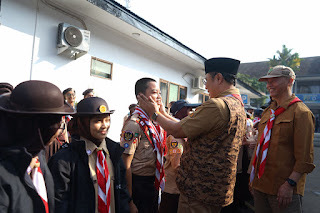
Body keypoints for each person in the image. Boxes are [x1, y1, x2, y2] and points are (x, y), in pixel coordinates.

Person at [138, 57, 247, 213]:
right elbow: (183, 125)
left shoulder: (216, 105)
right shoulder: (236, 104)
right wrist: (162, 113)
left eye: (206, 81)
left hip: (199, 189)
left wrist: (154, 114)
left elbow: (177, 130)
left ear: (219, 78)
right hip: (216, 188)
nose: (205, 87)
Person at [0, 80, 75, 213]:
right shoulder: (4, 173)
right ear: (39, 128)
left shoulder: (37, 154)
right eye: (58, 125)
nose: (60, 131)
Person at [249, 65, 315, 213]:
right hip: (260, 185)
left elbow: (305, 157)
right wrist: (252, 177)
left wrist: (289, 184)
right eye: (267, 81)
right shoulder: (268, 112)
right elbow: (260, 146)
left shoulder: (301, 113)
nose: (268, 85)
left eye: (274, 80)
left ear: (290, 81)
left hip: (282, 189)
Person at [48, 97, 132, 213]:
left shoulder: (114, 152)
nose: (104, 125)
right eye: (98, 121)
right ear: (83, 123)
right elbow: (59, 202)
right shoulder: (64, 159)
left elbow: (122, 192)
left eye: (107, 120)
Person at [120, 78, 167, 213]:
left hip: (153, 182)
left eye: (159, 93)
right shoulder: (134, 124)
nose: (158, 97)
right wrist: (130, 200)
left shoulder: (154, 122)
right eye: (154, 92)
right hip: (138, 184)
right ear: (140, 96)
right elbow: (126, 163)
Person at [159, 100, 200, 213]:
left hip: (178, 187)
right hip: (173, 188)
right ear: (180, 112)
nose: (190, 112)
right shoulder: (175, 137)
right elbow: (177, 165)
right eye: (188, 109)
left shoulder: (182, 134)